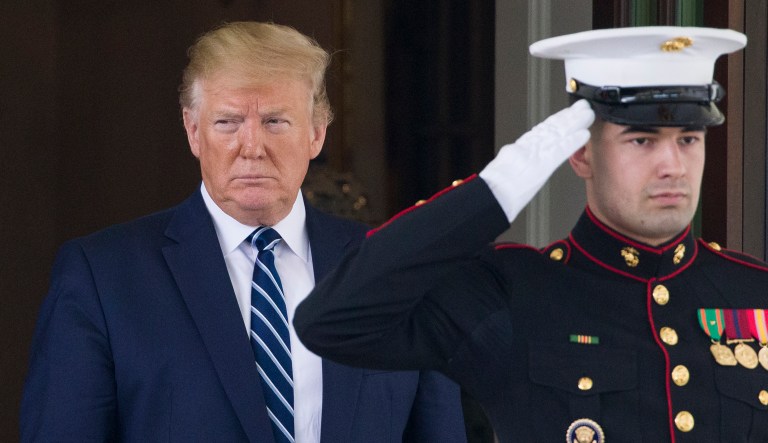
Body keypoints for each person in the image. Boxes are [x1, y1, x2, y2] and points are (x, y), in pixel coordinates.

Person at [294, 27, 768, 442]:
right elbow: (333, 322)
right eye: (641, 140)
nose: (672, 166)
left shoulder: (755, 291)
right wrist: (494, 192)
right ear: (581, 154)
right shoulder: (513, 293)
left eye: (689, 139)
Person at [20, 21, 466, 443]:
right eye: (227, 122)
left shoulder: (396, 271)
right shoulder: (103, 277)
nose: (252, 147)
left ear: (316, 133)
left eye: (275, 121)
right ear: (193, 131)